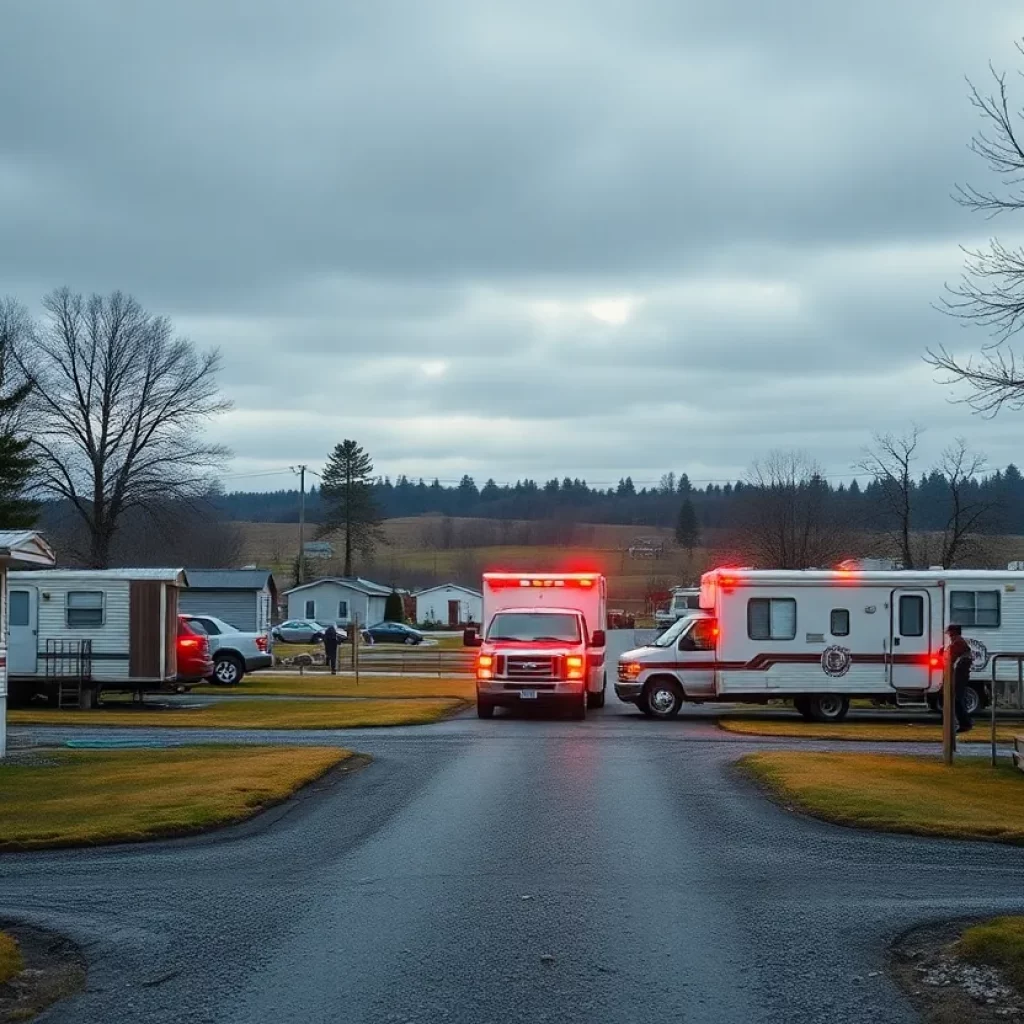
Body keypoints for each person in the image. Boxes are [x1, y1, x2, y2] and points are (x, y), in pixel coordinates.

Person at [945, 624, 973, 734]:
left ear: (953, 632)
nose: (949, 635)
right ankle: (965, 723)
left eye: (949, 633)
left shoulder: (958, 642)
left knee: (957, 699)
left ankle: (965, 724)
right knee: (958, 699)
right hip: (961, 674)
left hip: (960, 675)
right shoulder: (958, 641)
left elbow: (950, 656)